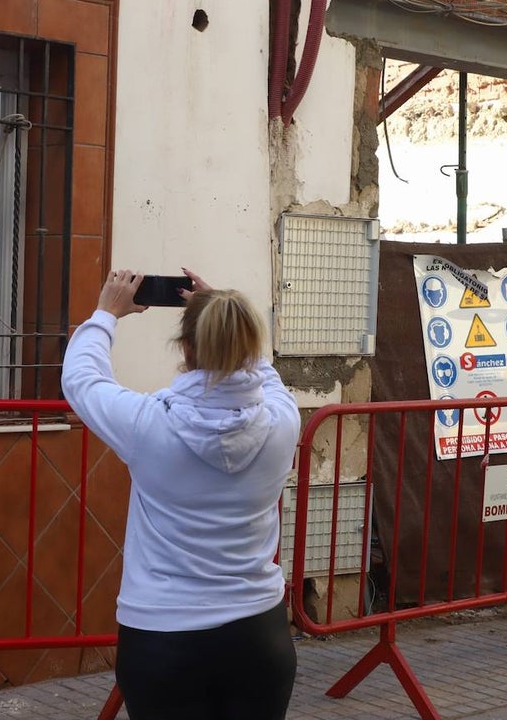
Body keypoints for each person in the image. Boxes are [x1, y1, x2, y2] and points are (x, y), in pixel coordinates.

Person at [61, 267, 301, 720]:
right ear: (248, 346)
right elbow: (265, 376)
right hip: (258, 636)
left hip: (163, 638)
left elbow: (82, 380)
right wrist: (224, 315)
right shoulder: (283, 423)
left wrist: (106, 314)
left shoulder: (148, 425)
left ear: (186, 350)